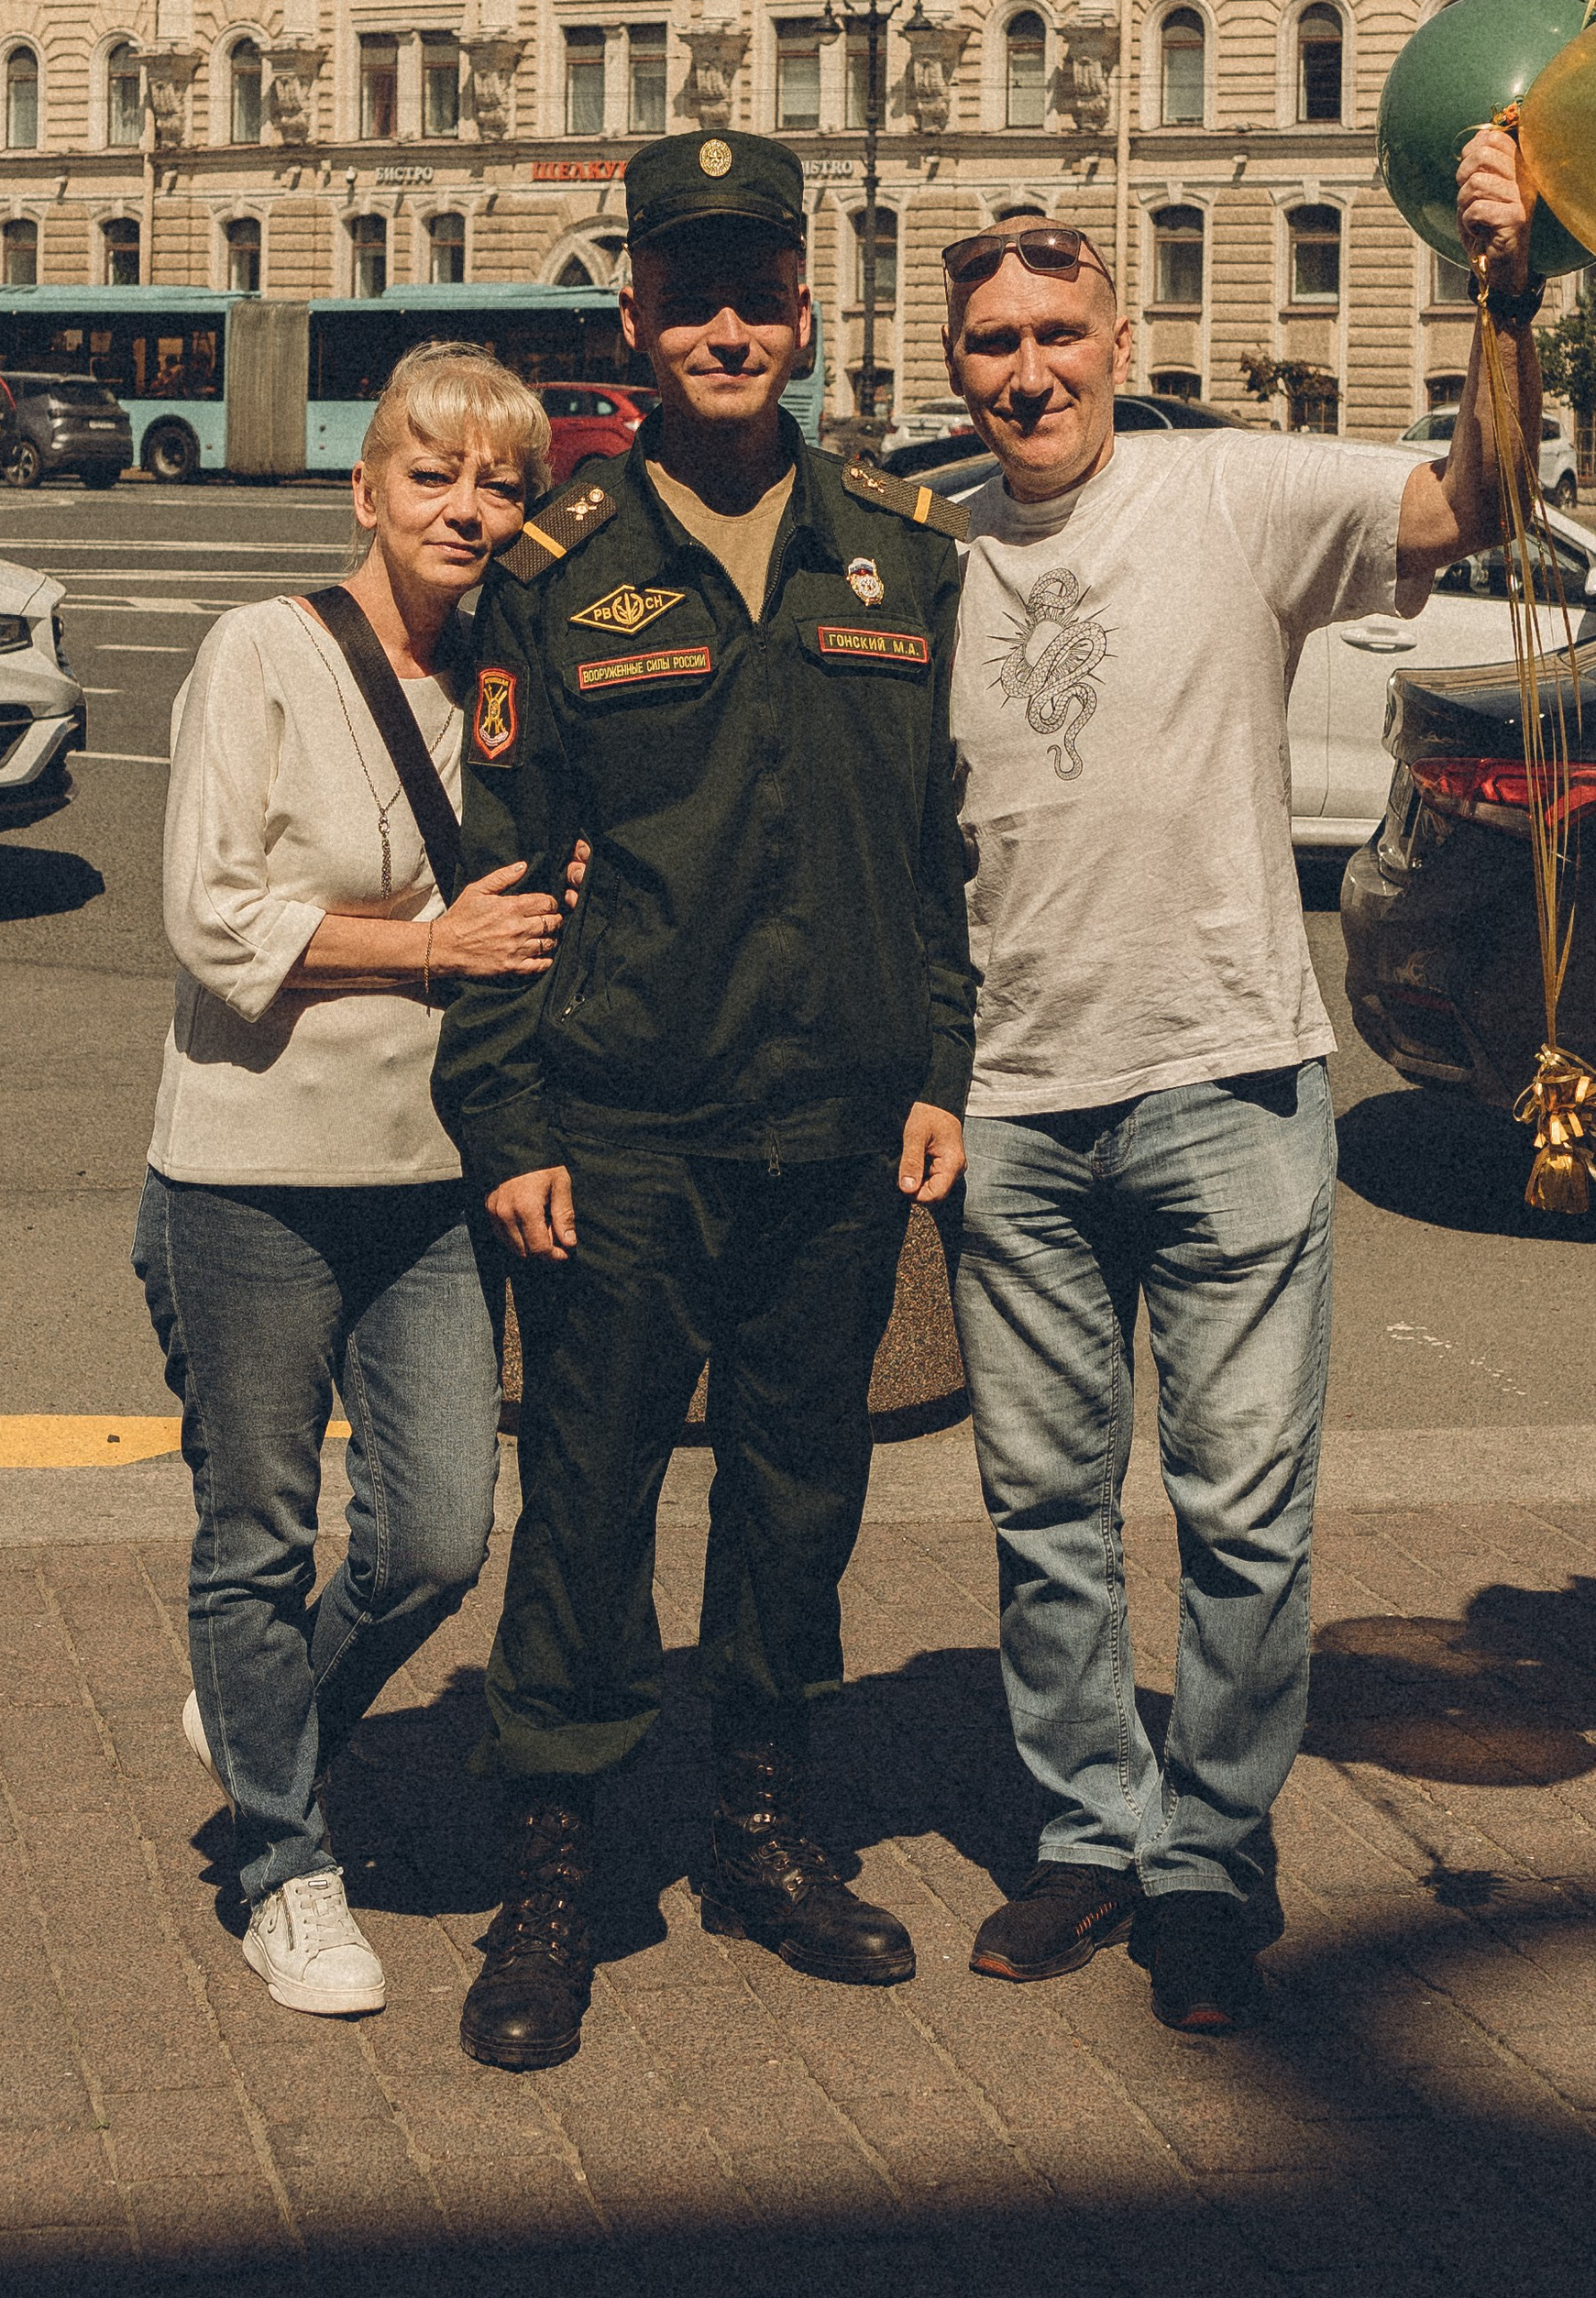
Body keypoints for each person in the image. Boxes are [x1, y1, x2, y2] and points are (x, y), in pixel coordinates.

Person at [941, 128, 1541, 2036]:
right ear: (952, 365)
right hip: (1014, 1107)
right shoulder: (928, 551)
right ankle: (1085, 1836)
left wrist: (1501, 292)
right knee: (1041, 1510)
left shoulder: (1232, 495)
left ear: (1115, 340)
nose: (1025, 370)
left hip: (1224, 1083)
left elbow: (1480, 500)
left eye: (1055, 331)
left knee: (1240, 1512)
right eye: (988, 344)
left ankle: (1207, 1854)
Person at [432, 129, 974, 2073]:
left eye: (758, 289)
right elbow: (502, 882)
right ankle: (556, 1874)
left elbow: (932, 859)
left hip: (832, 1128)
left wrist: (938, 1070)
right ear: (635, 315)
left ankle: (760, 1832)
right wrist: (508, 1129)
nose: (726, 325)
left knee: (794, 1497)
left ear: (805, 314)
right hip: (623, 1131)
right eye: (691, 292)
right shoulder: (563, 570)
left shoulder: (897, 550)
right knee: (580, 1509)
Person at [134, 343, 563, 2016]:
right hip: (249, 1168)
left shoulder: (513, 681)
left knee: (440, 1536)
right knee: (256, 1531)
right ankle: (282, 1867)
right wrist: (431, 944)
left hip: (432, 1169)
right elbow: (211, 916)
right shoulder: (263, 651)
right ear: (366, 487)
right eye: (437, 473)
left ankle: (262, 1720)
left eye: (503, 482)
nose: (470, 507)